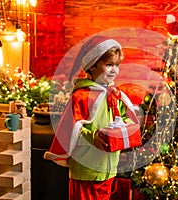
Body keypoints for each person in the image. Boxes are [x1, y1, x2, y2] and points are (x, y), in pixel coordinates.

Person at [44, 36, 138, 200]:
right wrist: (92, 136)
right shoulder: (81, 96)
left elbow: (123, 117)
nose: (114, 70)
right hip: (86, 170)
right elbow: (71, 129)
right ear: (92, 66)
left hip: (108, 169)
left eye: (116, 65)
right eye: (109, 65)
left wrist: (126, 127)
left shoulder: (115, 95)